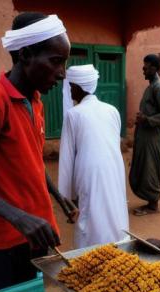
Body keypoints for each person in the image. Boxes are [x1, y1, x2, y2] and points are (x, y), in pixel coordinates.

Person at [0, 12, 77, 292]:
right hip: (1, 243)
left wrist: (57, 196)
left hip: (36, 233)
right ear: (26, 55)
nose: (62, 73)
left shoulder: (35, 101)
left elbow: (32, 158)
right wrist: (19, 217)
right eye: (56, 61)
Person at [58, 65, 129, 248]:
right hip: (114, 167)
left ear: (79, 87)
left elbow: (67, 159)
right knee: (113, 207)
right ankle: (117, 250)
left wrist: (67, 199)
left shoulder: (73, 114)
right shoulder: (112, 110)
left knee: (89, 213)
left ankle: (90, 257)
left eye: (71, 86)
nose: (70, 90)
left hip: (89, 170)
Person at [129, 54, 160, 216]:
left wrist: (147, 119)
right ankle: (150, 201)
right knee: (145, 166)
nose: (143, 71)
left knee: (150, 168)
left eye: (146, 68)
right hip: (146, 134)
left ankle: (153, 205)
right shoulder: (153, 85)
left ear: (154, 68)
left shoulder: (158, 86)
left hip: (152, 135)